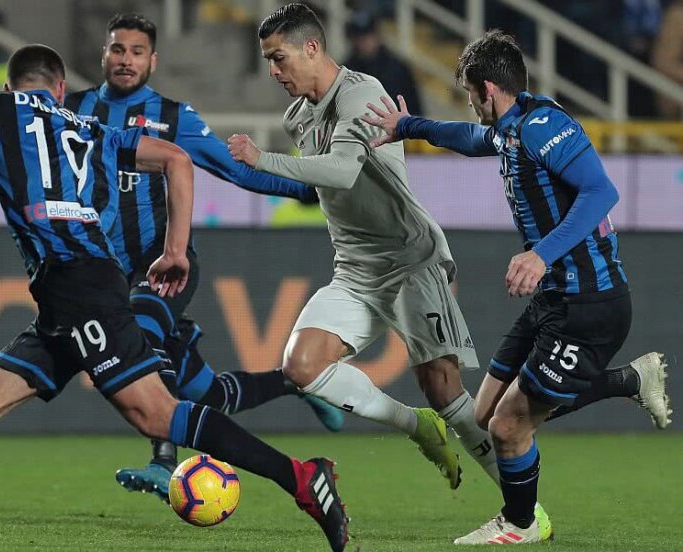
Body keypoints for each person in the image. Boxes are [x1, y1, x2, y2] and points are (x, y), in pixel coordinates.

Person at [0, 44, 348, 552]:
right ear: (62, 90)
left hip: (78, 286)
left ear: (9, 87)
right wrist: (175, 250)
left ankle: (303, 478)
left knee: (157, 415)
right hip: (72, 292)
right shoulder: (91, 129)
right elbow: (178, 159)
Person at [362, 30, 670, 544]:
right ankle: (628, 382)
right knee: (486, 414)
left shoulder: (544, 125)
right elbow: (468, 138)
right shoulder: (511, 128)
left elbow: (602, 191)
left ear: (488, 89)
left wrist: (540, 252)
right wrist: (408, 127)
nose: (470, 105)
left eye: (469, 95)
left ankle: (521, 523)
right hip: (554, 299)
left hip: (589, 300)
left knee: (509, 426)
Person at [63, 13, 344, 502]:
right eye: (117, 50)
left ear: (153, 60)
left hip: (164, 263)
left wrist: (307, 188)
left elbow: (234, 169)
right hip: (107, 271)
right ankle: (297, 385)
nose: (125, 60)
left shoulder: (173, 118)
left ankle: (163, 462)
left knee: (140, 335)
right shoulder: (71, 112)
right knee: (206, 393)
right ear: (103, 55)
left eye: (135, 52)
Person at [227, 2, 504, 498]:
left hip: (409, 258)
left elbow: (342, 170)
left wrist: (261, 158)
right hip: (355, 267)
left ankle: (524, 509)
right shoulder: (299, 118)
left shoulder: (363, 93)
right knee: (301, 365)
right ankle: (416, 427)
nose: (273, 71)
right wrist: (233, 169)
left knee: (443, 389)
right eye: (268, 60)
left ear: (312, 47)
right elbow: (319, 190)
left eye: (279, 58)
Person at [342, 10, 421, 115]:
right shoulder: (344, 72)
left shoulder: (399, 69)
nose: (364, 42)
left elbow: (415, 111)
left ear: (378, 36)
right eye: (359, 37)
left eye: (368, 36)